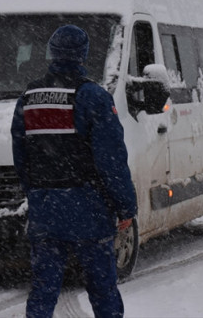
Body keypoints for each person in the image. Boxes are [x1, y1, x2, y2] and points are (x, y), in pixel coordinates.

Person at [10, 25, 137, 318]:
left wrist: (37, 192)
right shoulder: (93, 97)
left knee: (43, 290)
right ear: (83, 56)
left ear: (51, 52)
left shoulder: (29, 98)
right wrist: (125, 207)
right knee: (103, 289)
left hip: (46, 210)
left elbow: (21, 155)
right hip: (89, 210)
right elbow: (112, 161)